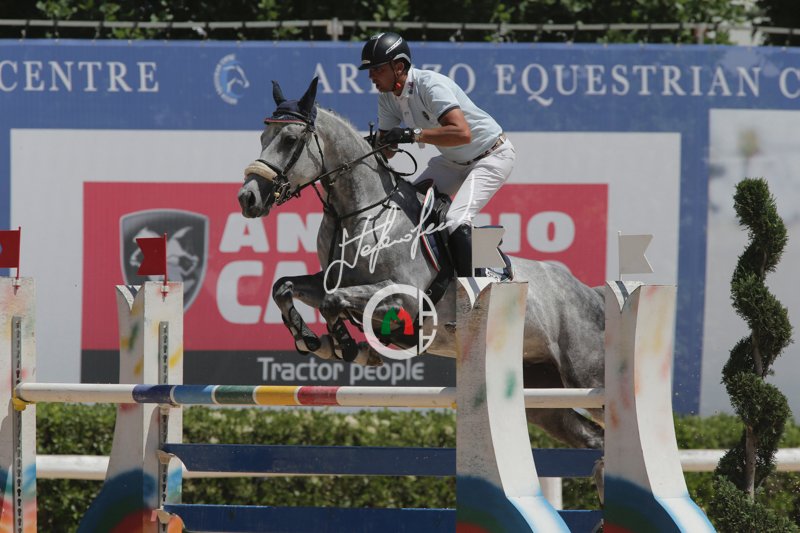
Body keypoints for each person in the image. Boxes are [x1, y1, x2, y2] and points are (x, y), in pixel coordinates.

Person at [359, 32, 515, 277]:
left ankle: (485, 279)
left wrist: (411, 134)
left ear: (398, 67)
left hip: (491, 156)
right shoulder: (387, 98)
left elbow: (462, 133)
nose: (371, 76)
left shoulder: (430, 85)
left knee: (456, 220)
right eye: (370, 70)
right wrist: (366, 146)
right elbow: (386, 151)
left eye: (377, 69)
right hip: (452, 162)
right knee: (408, 207)